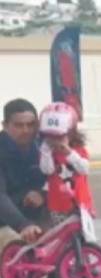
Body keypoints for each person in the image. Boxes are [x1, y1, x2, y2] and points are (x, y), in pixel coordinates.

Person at [38, 102, 94, 224]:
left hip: (81, 204)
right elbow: (47, 170)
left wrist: (69, 153)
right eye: (50, 136)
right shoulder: (48, 152)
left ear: (70, 133)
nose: (55, 140)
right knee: (63, 237)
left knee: (83, 238)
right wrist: (46, 151)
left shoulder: (78, 150)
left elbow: (84, 169)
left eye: (60, 136)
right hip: (58, 205)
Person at [0, 98, 46, 248]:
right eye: (19, 125)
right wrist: (23, 225)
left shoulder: (44, 147)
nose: (26, 130)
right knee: (18, 249)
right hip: (5, 221)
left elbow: (61, 179)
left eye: (31, 125)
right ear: (5, 126)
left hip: (32, 215)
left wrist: (42, 193)